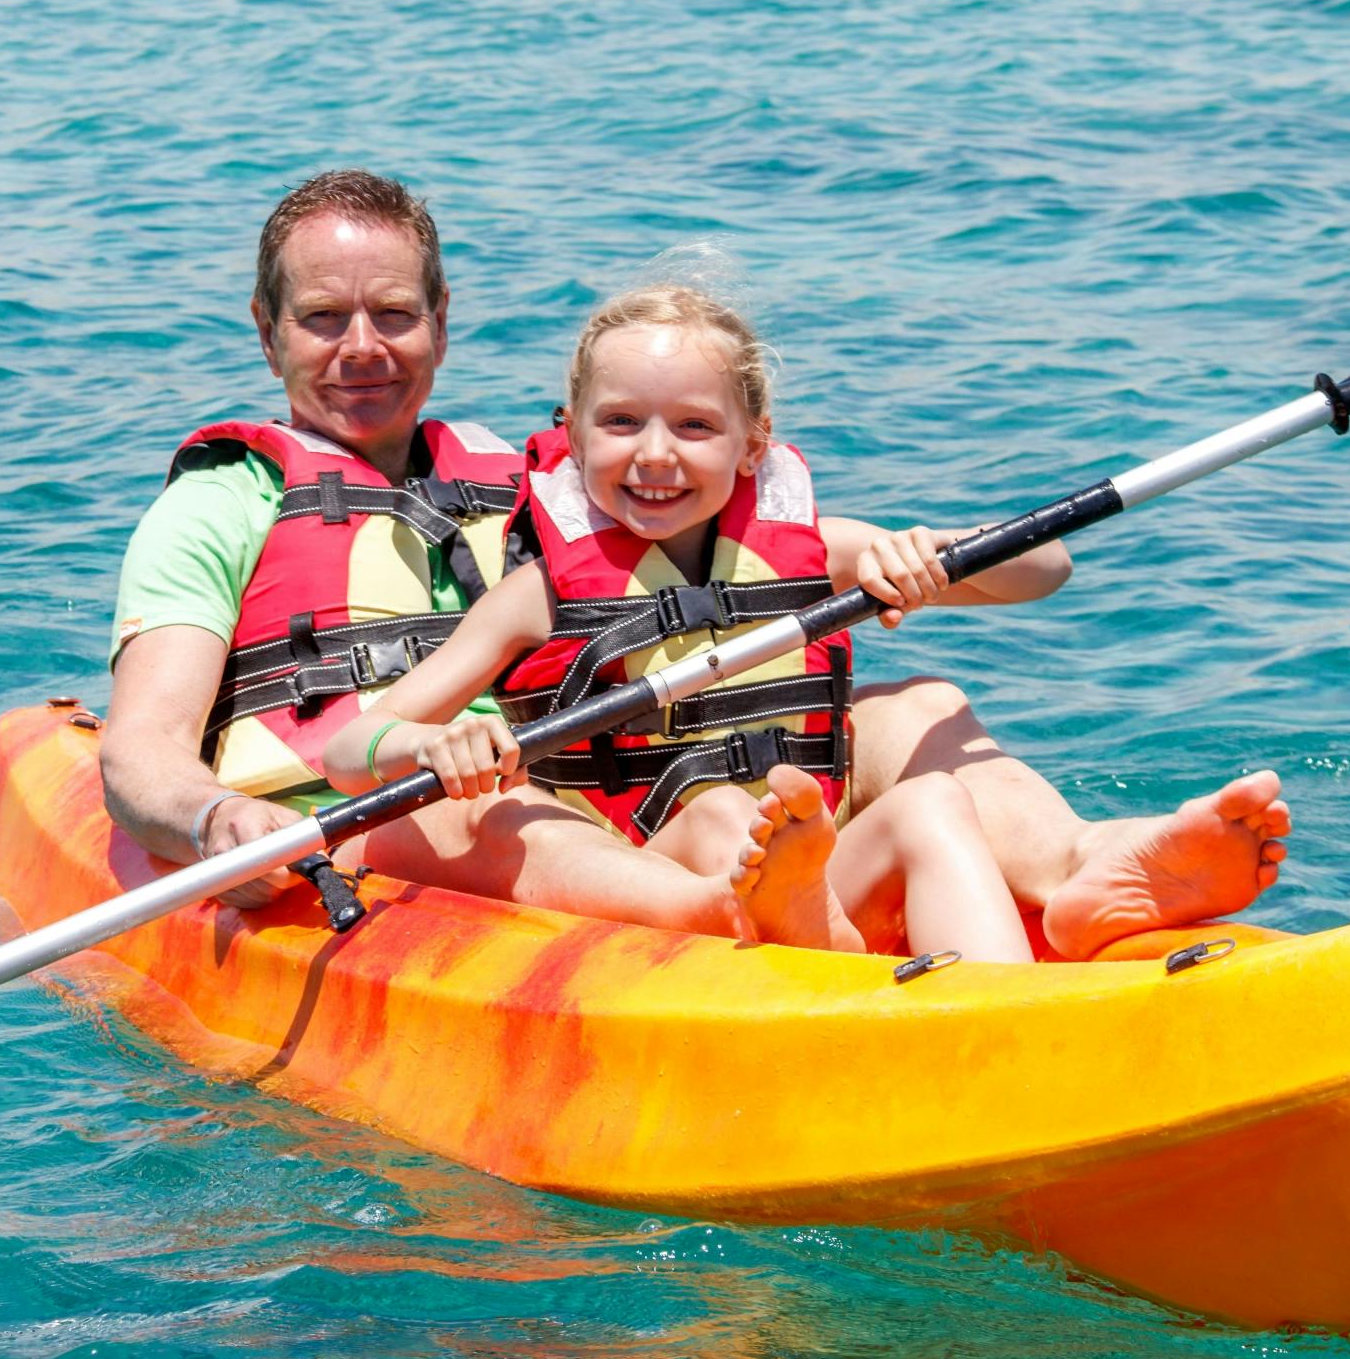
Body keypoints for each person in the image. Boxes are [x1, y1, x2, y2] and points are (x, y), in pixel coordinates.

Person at [100, 168, 1289, 948]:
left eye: (394, 315)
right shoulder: (221, 509)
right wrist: (211, 826)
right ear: (267, 333)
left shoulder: (539, 474)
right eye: (321, 319)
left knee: (908, 703)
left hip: (616, 759)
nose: (361, 348)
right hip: (381, 802)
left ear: (442, 319)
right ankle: (735, 916)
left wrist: (915, 561)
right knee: (511, 817)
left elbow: (692, 544)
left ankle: (1085, 870)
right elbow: (142, 755)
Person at [321, 283, 1058, 953]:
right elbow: (350, 754)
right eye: (621, 422)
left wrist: (924, 555)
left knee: (931, 801)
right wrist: (437, 743)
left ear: (754, 445)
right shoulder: (536, 596)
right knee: (721, 816)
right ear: (574, 439)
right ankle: (804, 934)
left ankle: (1008, 1024)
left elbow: (1045, 568)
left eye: (694, 426)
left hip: (811, 869)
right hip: (662, 887)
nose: (654, 454)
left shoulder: (821, 549)